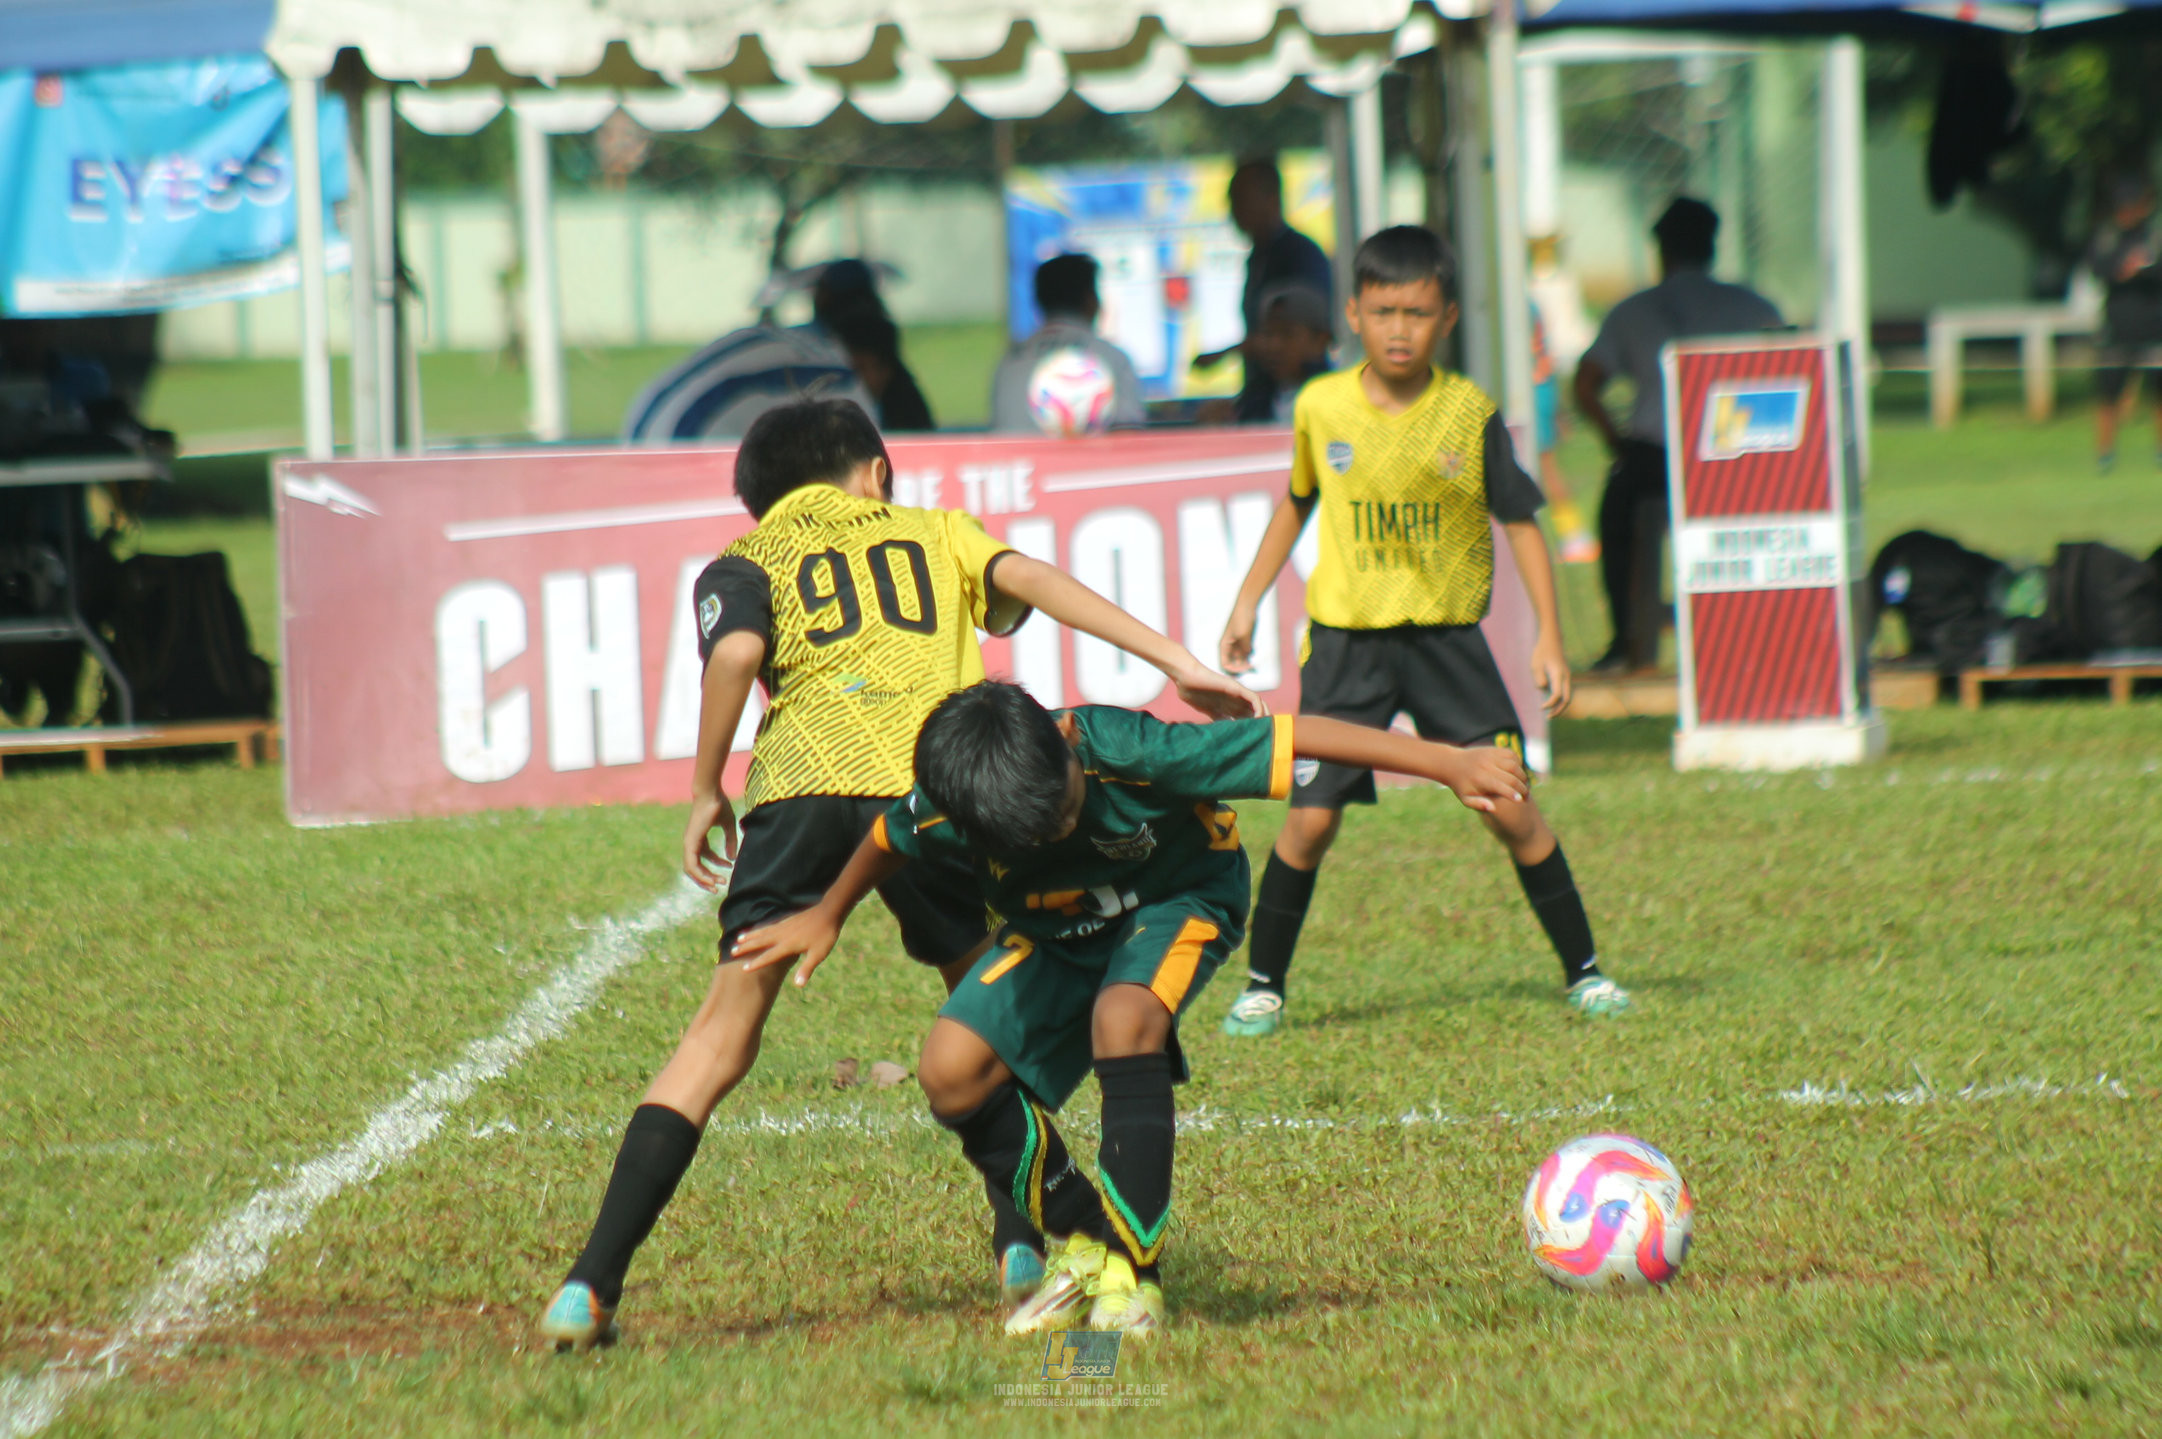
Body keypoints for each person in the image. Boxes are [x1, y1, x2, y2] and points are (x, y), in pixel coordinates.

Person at [540, 399, 1261, 1352]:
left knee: (717, 1039)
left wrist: (704, 782)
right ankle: (1021, 1240)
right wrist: (1175, 659)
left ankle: (588, 1284)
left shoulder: (744, 559)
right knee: (984, 1007)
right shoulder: (932, 531)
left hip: (799, 792)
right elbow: (1036, 581)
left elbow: (741, 652)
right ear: (876, 473)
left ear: (761, 501)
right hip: (935, 786)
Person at [732, 681, 1528, 1335]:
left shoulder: (1131, 750)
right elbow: (887, 834)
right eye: (1040, 832)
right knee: (950, 1071)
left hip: (1180, 896)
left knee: (1125, 1018)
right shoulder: (951, 802)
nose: (1065, 826)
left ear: (1068, 749)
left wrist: (1446, 761)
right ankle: (1091, 1235)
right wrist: (828, 911)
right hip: (1054, 932)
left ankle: (1134, 1280)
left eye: (1068, 809)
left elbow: (1300, 733)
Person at [1215, 224, 1633, 1040]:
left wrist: (1549, 634)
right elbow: (1297, 500)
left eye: (1416, 311)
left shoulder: (1468, 414)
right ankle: (1263, 985)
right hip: (1346, 647)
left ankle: (1585, 972)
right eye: (1383, 311)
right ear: (1353, 316)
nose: (1399, 328)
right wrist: (1247, 601)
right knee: (1310, 820)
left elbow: (1520, 522)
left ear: (1445, 318)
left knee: (1509, 805)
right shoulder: (1320, 405)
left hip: (1448, 646)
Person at [1573, 198, 1784, 672]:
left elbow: (1585, 385)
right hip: (1741, 454)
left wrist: (1614, 439)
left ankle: (1628, 640)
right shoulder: (1753, 306)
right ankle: (1765, 633)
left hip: (1656, 457)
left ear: (1660, 249)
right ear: (1712, 245)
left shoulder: (1634, 310)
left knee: (1620, 524)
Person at [621, 259, 893, 442]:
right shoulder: (839, 379)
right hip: (684, 457)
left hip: (642, 441)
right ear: (868, 361)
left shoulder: (784, 347)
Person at [1193, 159, 1334, 422]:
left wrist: (1233, 352)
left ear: (1270, 198)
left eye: (1241, 200)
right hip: (1266, 395)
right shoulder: (1258, 256)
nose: (1233, 211)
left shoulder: (1300, 254)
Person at [989, 253, 1146, 433]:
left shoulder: (1008, 363)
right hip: (1088, 461)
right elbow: (1129, 440)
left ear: (1040, 301)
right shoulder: (1114, 359)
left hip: (1022, 461)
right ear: (1091, 300)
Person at [2088, 174, 2162, 473]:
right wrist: (2123, 269)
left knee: (2158, 393)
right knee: (2108, 394)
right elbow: (2098, 268)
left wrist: (2143, 270)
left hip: (2155, 327)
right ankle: (2105, 456)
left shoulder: (2155, 235)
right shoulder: (2107, 236)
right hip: (2116, 329)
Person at [1531, 301, 1598, 563]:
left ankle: (1575, 537)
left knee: (1545, 469)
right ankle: (1572, 536)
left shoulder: (1519, 304)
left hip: (1534, 391)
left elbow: (1537, 350)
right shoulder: (1530, 304)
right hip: (1541, 390)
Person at [825, 293, 935, 432]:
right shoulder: (828, 413)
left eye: (860, 368)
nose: (868, 377)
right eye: (856, 368)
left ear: (887, 370)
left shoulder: (907, 412)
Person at [1237, 283, 1335, 425]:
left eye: (1287, 334)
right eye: (1268, 334)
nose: (1274, 346)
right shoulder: (1255, 399)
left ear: (1320, 341)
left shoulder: (1335, 400)